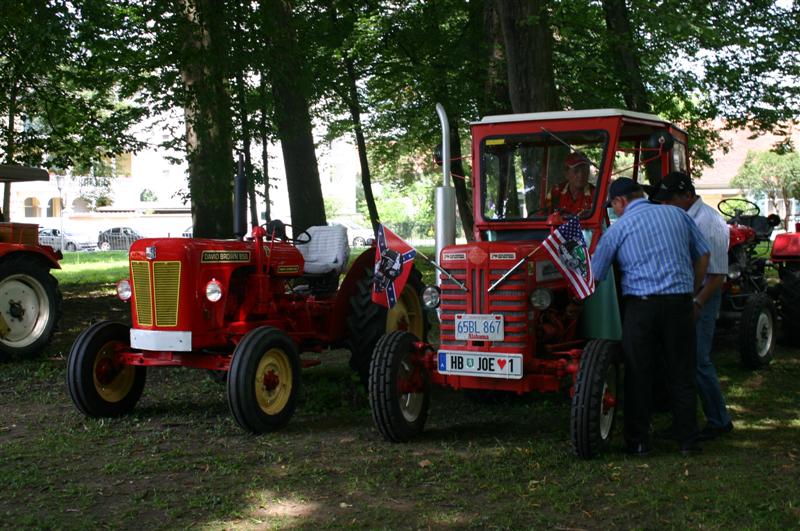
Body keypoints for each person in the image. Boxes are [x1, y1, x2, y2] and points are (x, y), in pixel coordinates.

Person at [592, 177, 710, 456]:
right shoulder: (677, 215)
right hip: (679, 304)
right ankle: (688, 440)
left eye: (613, 206)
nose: (614, 211)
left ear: (620, 202)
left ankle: (639, 441)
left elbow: (595, 274)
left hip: (642, 307)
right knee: (682, 372)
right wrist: (691, 290)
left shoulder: (619, 229)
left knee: (639, 373)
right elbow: (704, 254)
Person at [651, 172, 734, 440]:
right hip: (687, 296)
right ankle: (684, 421)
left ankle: (719, 420)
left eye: (670, 200)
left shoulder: (709, 222)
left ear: (687, 195)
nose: (665, 206)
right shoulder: (684, 217)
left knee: (698, 361)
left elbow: (717, 275)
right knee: (681, 361)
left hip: (703, 298)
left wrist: (697, 302)